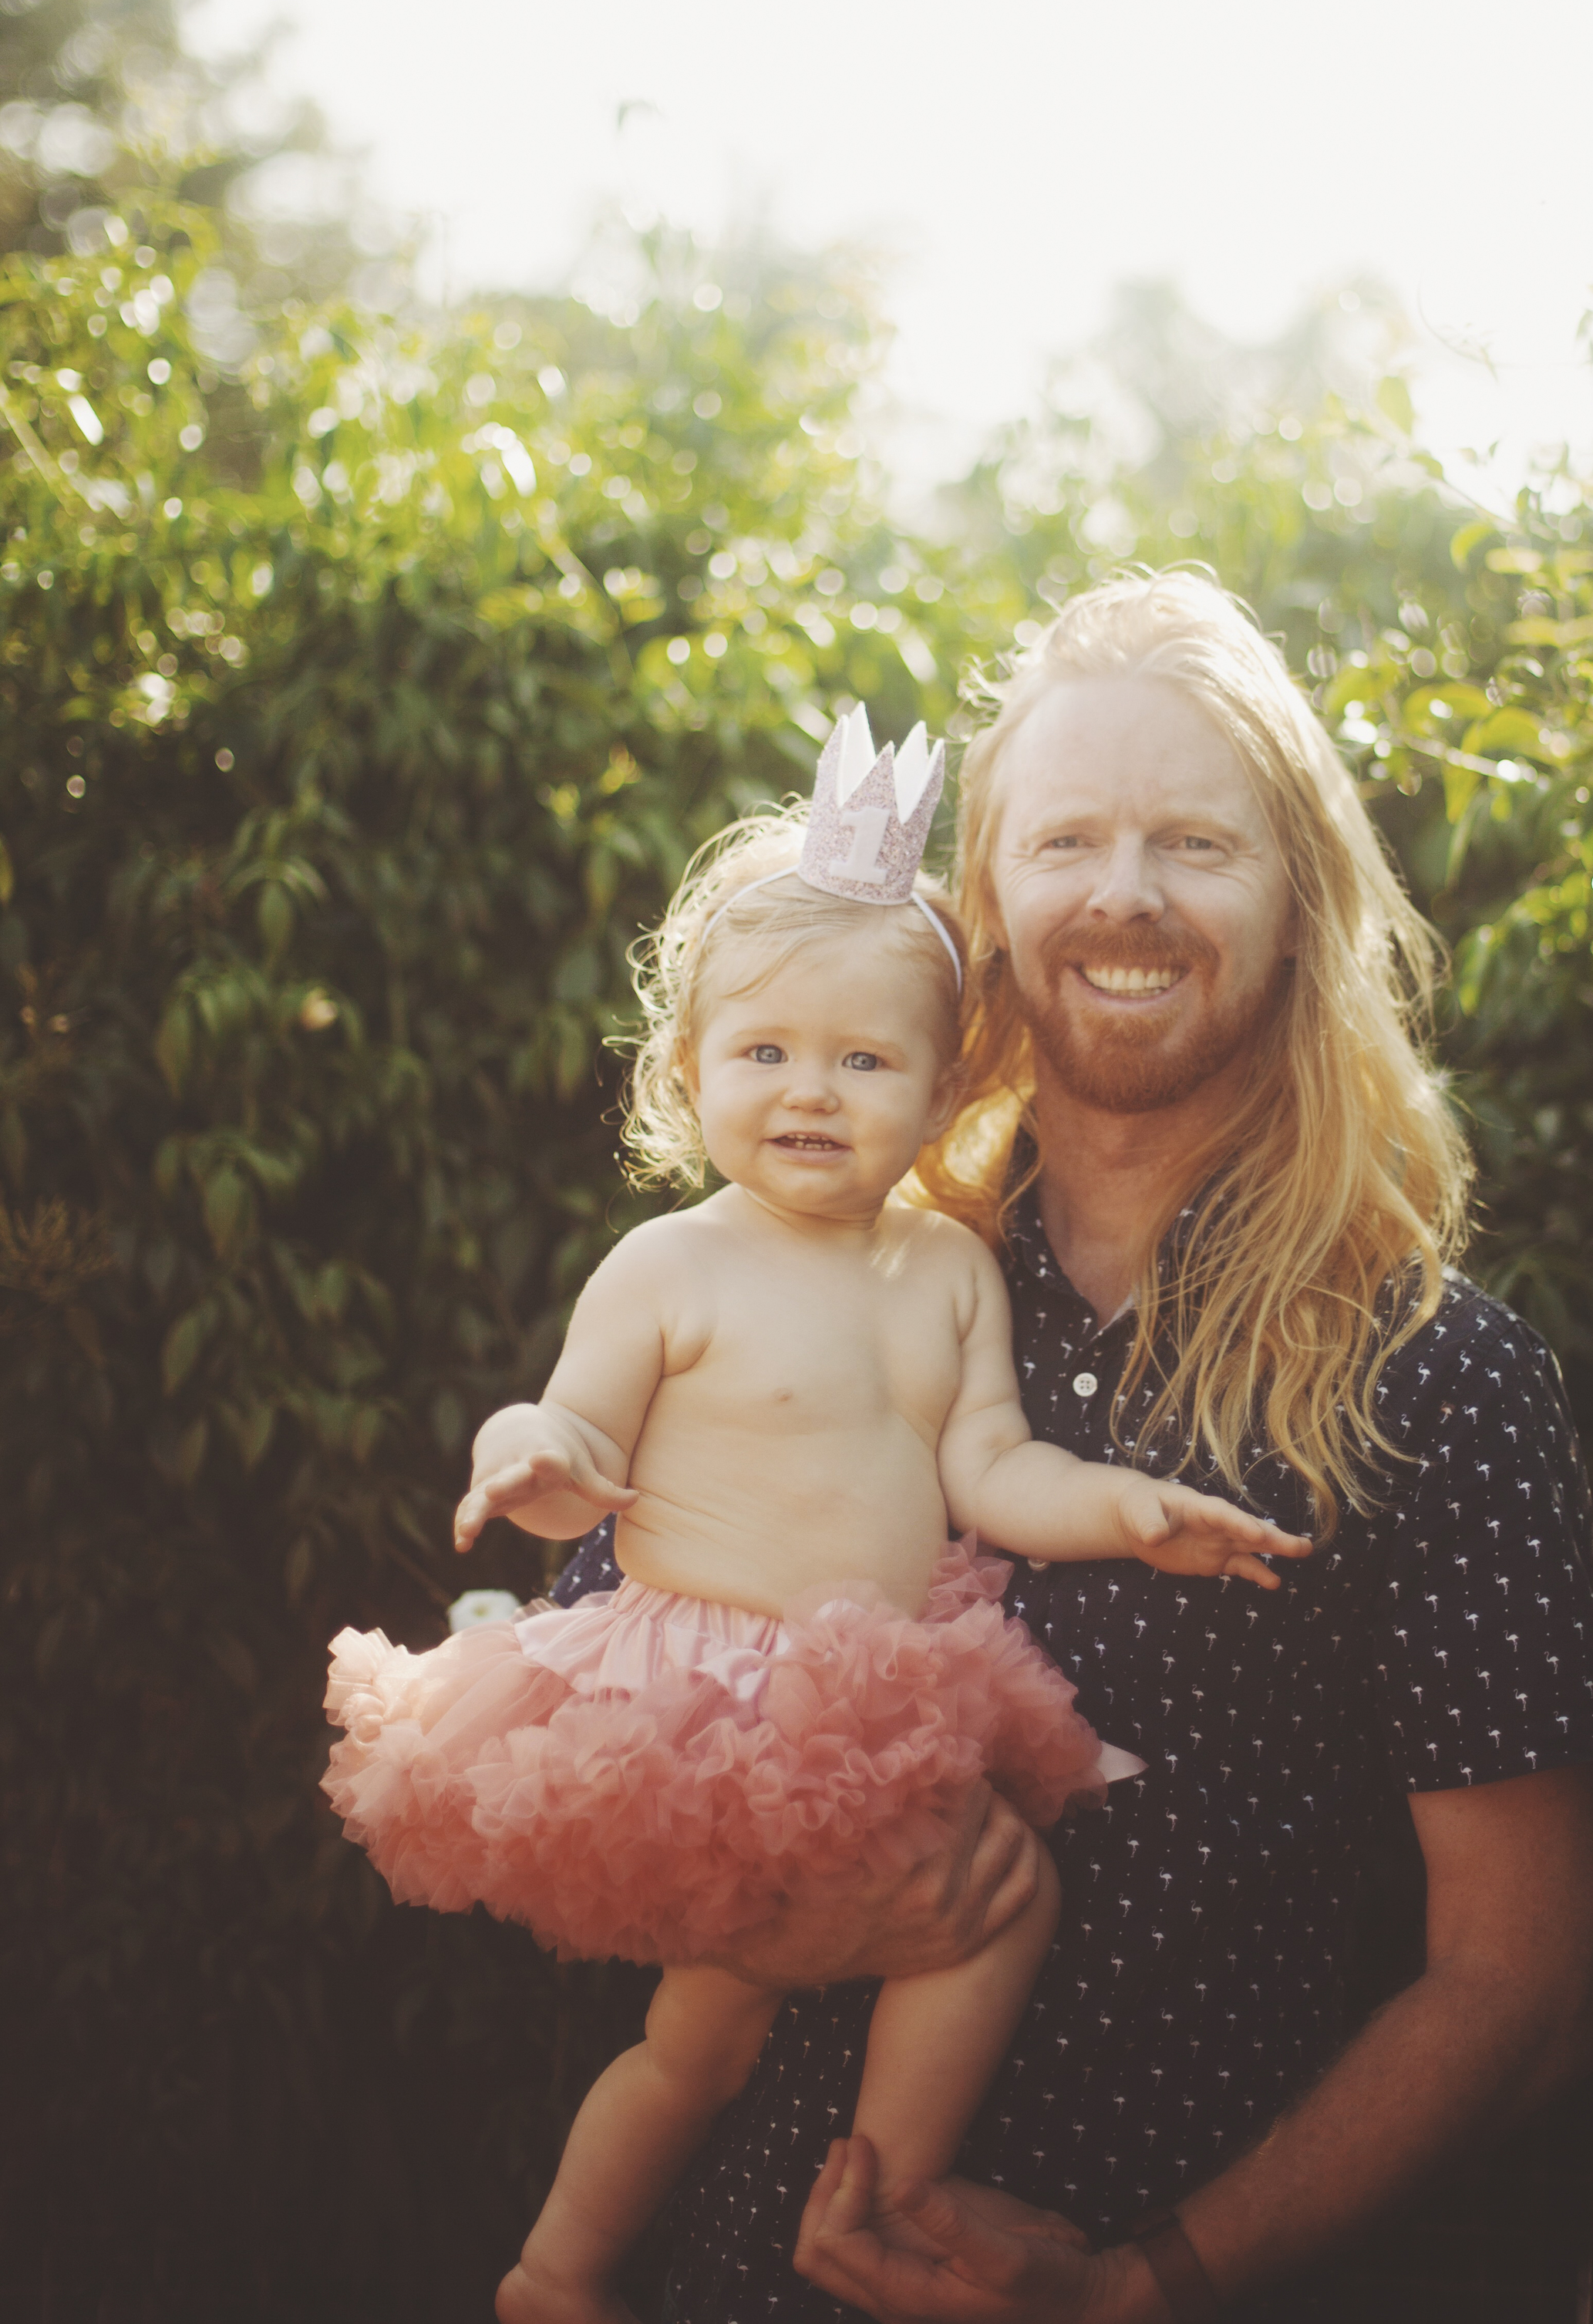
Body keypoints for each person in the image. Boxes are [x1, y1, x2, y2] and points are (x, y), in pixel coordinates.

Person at [554, 569, 1593, 2322]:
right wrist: (799, 1916)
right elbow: (595, 1706)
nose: (1121, 897)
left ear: (1298, 905)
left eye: (1193, 846)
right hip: (746, 2272)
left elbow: (1526, 1994)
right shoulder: (829, 1283)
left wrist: (1142, 2283)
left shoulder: (1438, 1385)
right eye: (1064, 842)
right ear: (980, 904)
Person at [320, 709, 1301, 2324]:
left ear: (940, 1086)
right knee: (692, 2044)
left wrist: (1127, 1511)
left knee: (983, 1909)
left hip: (860, 1692)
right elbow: (568, 1410)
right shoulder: (672, 1265)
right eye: (763, 1053)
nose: (807, 1093)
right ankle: (554, 2268)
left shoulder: (943, 1271)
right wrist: (530, 1461)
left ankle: (879, 2199)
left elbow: (989, 1471)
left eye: (862, 1061)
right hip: (704, 1699)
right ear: (687, 1064)